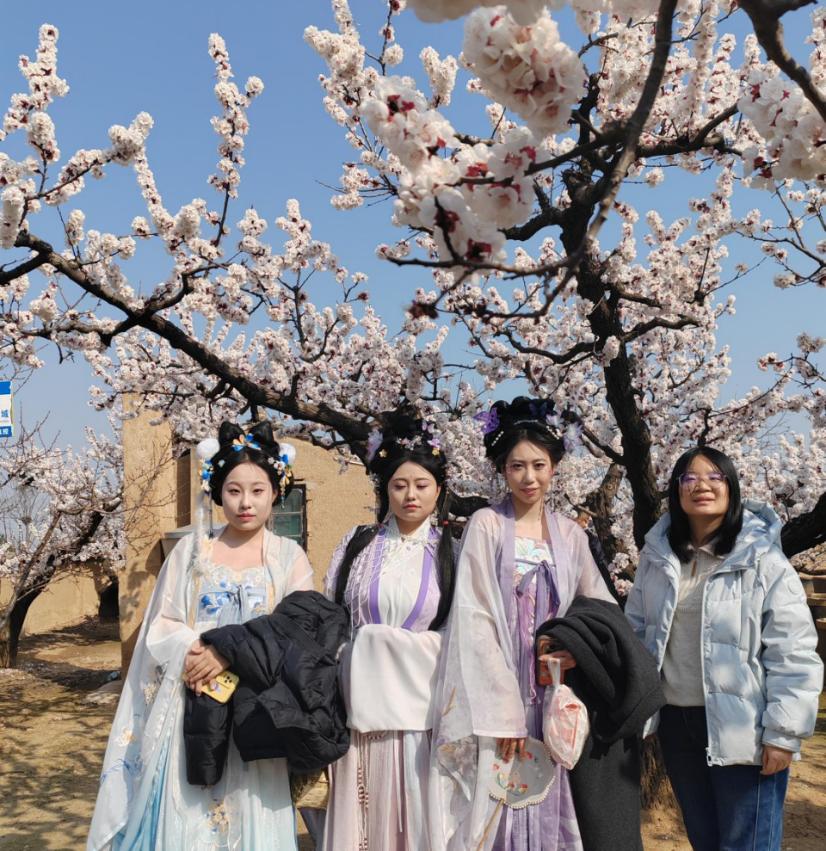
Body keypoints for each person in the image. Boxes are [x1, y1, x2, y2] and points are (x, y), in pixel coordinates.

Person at [88, 421, 313, 851]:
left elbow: (298, 631)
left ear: (275, 491)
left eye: (257, 490)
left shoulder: (289, 557)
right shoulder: (192, 551)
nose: (245, 502)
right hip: (191, 701)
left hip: (256, 709)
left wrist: (228, 653)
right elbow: (162, 622)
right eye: (234, 490)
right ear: (217, 492)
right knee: (185, 811)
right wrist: (196, 650)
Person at [429, 397, 615, 850]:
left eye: (538, 465)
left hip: (555, 690)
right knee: (497, 801)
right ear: (501, 469)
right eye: (517, 466)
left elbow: (599, 608)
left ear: (555, 468)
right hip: (500, 691)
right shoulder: (487, 525)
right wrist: (503, 712)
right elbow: (474, 616)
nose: (529, 477)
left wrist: (578, 648)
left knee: (554, 798)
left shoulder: (571, 535)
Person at [625, 446, 823, 851]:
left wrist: (783, 734)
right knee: (705, 840)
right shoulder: (657, 559)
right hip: (678, 724)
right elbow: (637, 634)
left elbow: (792, 650)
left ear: (731, 487)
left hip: (744, 727)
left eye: (714, 477)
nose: (702, 485)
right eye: (690, 478)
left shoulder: (762, 559)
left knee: (747, 844)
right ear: (676, 490)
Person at [322, 413, 456, 851]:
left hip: (421, 718)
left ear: (439, 489)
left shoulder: (452, 553)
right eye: (399, 485)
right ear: (385, 490)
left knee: (415, 822)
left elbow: (459, 635)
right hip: (357, 711)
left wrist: (382, 645)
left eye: (421, 485)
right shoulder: (357, 544)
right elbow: (332, 616)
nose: (410, 495)